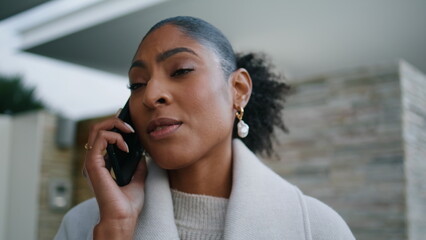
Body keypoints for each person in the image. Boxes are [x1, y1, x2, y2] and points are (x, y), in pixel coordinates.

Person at [54, 16, 355, 240]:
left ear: (238, 89)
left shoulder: (319, 229)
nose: (150, 95)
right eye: (137, 83)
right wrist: (116, 228)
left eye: (181, 70)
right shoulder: (84, 226)